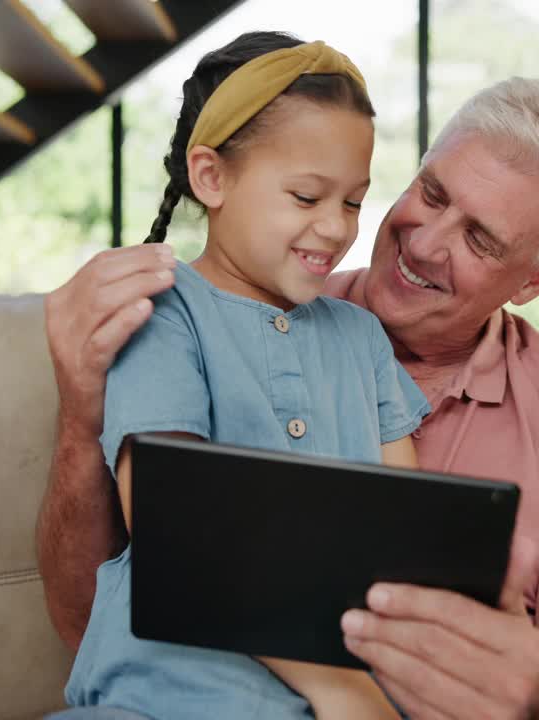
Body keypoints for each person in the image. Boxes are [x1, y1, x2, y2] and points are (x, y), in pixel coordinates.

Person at [39, 74, 539, 719]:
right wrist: (82, 415)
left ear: (536, 280)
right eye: (431, 193)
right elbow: (98, 606)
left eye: (479, 239)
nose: (424, 241)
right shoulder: (247, 298)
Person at [59, 31, 429, 719]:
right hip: (162, 699)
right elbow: (178, 528)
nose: (336, 228)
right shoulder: (164, 316)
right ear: (211, 178)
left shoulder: (361, 339)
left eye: (352, 202)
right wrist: (335, 684)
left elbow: (404, 544)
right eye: (306, 196)